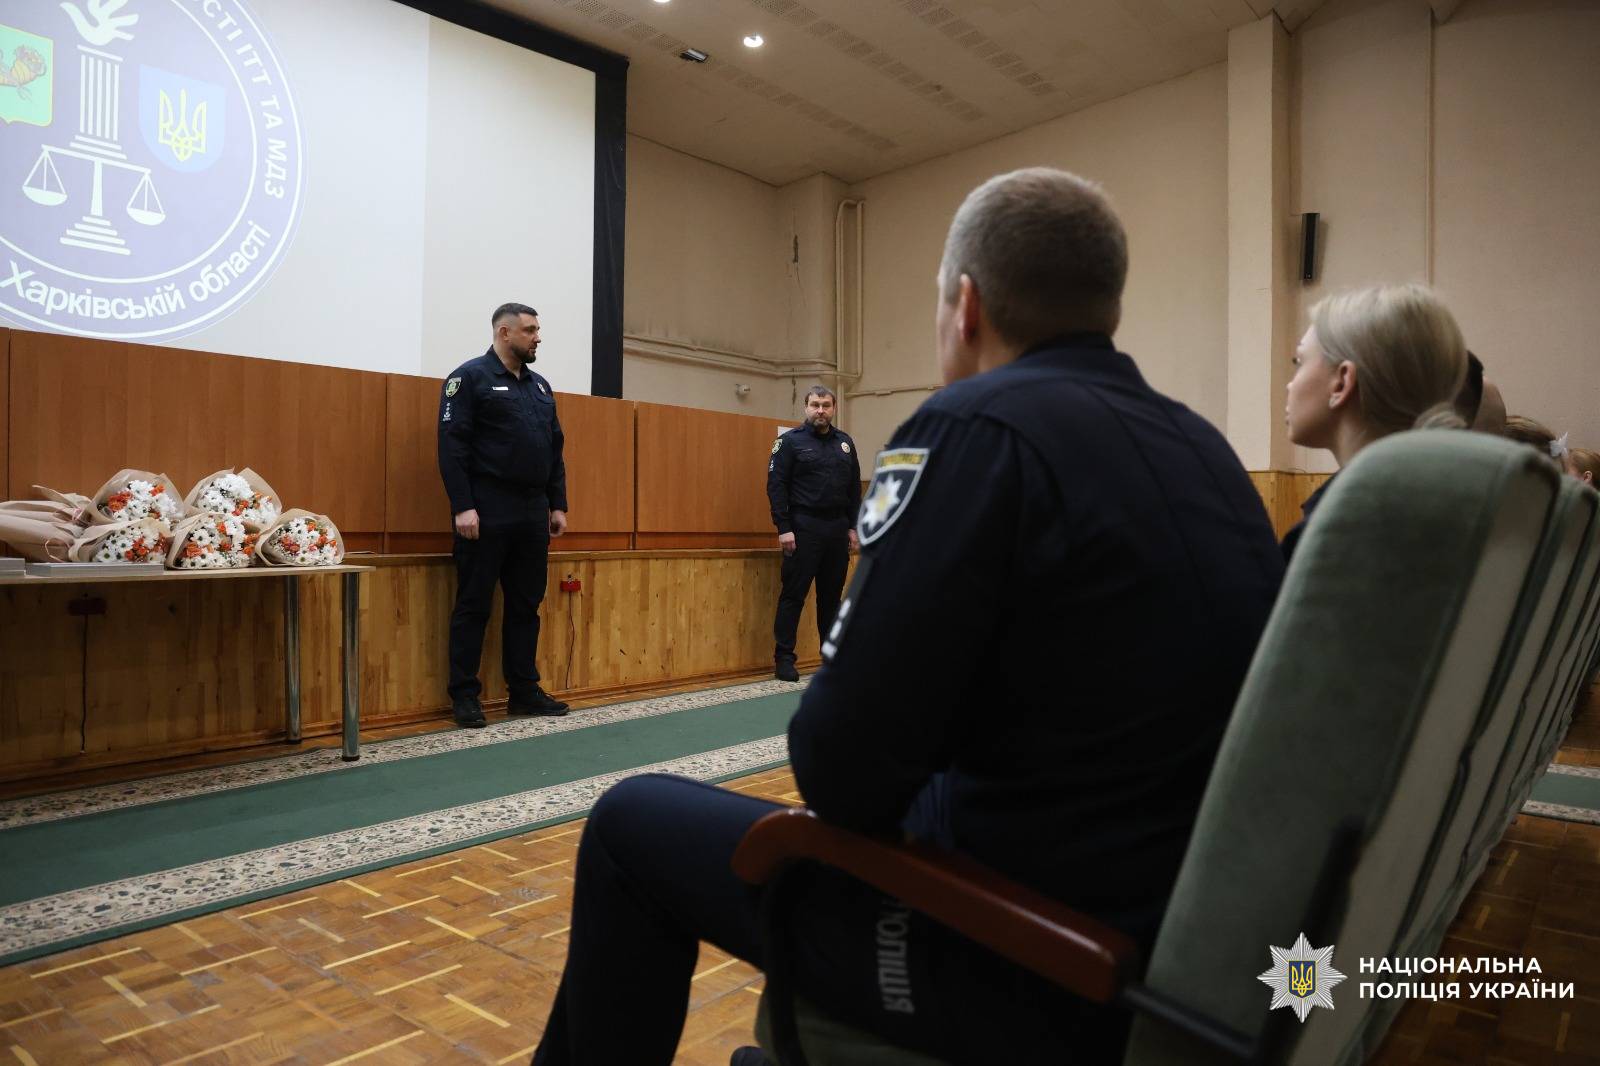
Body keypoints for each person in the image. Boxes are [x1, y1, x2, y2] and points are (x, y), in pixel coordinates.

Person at [531, 168, 1284, 1065]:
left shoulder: (972, 427)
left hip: (1017, 949)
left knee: (627, 825)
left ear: (965, 306)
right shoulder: (1205, 448)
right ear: (1105, 308)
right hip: (1175, 941)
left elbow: (840, 773)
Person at [437, 303, 570, 728]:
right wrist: (462, 505)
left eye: (537, 330)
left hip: (532, 511)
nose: (538, 337)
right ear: (504, 332)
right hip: (487, 507)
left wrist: (558, 503)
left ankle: (524, 690)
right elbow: (451, 447)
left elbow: (554, 450)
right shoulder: (469, 378)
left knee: (526, 605)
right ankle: (464, 695)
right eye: (530, 330)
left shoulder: (541, 388)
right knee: (474, 604)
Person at [1280, 283, 1468, 563]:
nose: (1290, 384)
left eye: (1299, 361)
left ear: (1341, 382)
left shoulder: (1334, 534)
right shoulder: (1461, 510)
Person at [766, 385, 861, 682]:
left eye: (826, 405)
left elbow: (854, 489)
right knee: (794, 595)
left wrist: (853, 526)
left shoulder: (845, 443)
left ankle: (831, 658)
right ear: (806, 408)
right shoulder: (789, 443)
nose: (821, 410)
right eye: (815, 405)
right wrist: (784, 528)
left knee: (831, 598)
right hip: (803, 527)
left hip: (836, 529)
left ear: (834, 408)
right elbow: (776, 486)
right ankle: (784, 659)